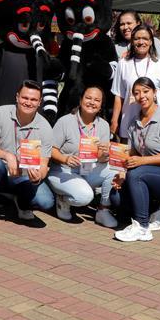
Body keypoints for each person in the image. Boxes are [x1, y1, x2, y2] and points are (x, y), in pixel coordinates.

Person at [113, 77, 160, 242]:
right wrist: (122, 173)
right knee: (116, 196)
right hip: (150, 172)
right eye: (137, 93)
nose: (141, 96)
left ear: (155, 93)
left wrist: (140, 162)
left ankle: (142, 227)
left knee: (137, 175)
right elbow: (132, 154)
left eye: (146, 91)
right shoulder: (133, 123)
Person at [0, 80, 55, 232]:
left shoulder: (45, 127)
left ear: (39, 102)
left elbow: (44, 165)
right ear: (17, 97)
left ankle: (19, 201)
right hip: (2, 172)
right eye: (25, 98)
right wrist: (8, 155)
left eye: (33, 100)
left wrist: (38, 176)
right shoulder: (1, 112)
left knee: (46, 201)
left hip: (24, 178)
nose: (28, 103)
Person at [48, 85, 117, 227]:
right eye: (88, 98)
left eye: (97, 100)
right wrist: (65, 158)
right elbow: (50, 149)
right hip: (63, 171)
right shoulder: (65, 121)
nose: (92, 102)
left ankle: (103, 210)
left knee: (115, 170)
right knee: (85, 196)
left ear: (100, 105)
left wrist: (105, 154)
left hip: (87, 169)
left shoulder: (103, 125)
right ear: (80, 100)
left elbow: (101, 158)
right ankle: (63, 199)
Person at [111, 24, 160, 139]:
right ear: (132, 41)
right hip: (129, 122)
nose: (141, 42)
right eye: (137, 39)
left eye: (145, 39)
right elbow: (118, 96)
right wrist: (114, 120)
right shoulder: (123, 63)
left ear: (151, 42)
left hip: (155, 124)